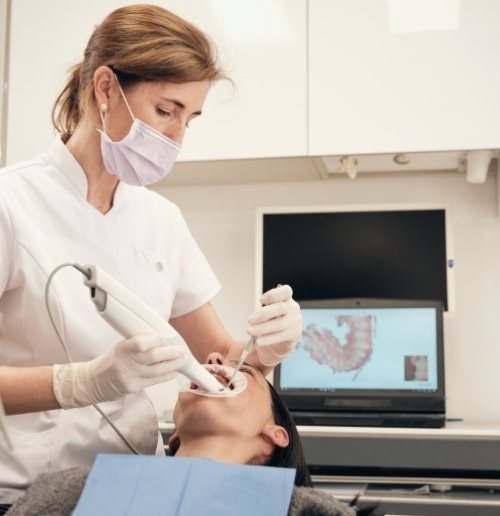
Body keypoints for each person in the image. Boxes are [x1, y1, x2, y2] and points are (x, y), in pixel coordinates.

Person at [0, 4, 302, 507]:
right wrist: (79, 383)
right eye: (166, 111)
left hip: (137, 490)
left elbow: (220, 361)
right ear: (104, 89)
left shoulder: (161, 220)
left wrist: (266, 350)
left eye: (191, 118)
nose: (177, 138)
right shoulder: (11, 202)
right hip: (22, 493)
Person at [5, 356, 379, 516]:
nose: (213, 369)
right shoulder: (74, 491)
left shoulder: (304, 509)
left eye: (241, 370)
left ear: (275, 434)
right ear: (174, 438)